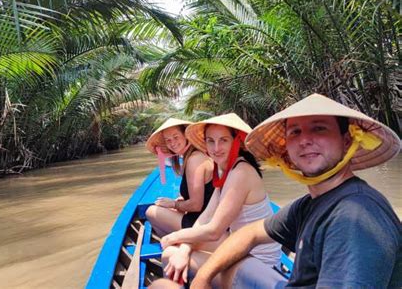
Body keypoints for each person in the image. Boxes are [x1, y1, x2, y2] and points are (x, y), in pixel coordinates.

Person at [190, 93, 401, 288]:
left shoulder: (353, 217)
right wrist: (202, 278)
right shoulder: (309, 204)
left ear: (346, 142)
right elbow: (250, 233)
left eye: (319, 128)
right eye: (295, 132)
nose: (304, 140)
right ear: (287, 151)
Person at [159, 113, 281, 285]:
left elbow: (214, 230)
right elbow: (206, 217)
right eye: (210, 141)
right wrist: (185, 247)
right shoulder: (225, 171)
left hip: (259, 263)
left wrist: (175, 237)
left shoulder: (240, 172)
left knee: (169, 254)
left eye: (223, 140)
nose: (216, 148)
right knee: (178, 251)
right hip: (241, 249)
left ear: (236, 142)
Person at [145, 118, 214, 236]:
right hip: (204, 217)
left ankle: (177, 242)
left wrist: (174, 204)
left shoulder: (194, 159)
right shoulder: (195, 156)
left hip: (204, 222)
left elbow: (196, 205)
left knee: (151, 211)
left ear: (186, 135)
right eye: (168, 140)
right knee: (166, 209)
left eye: (176, 137)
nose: (172, 143)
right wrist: (180, 203)